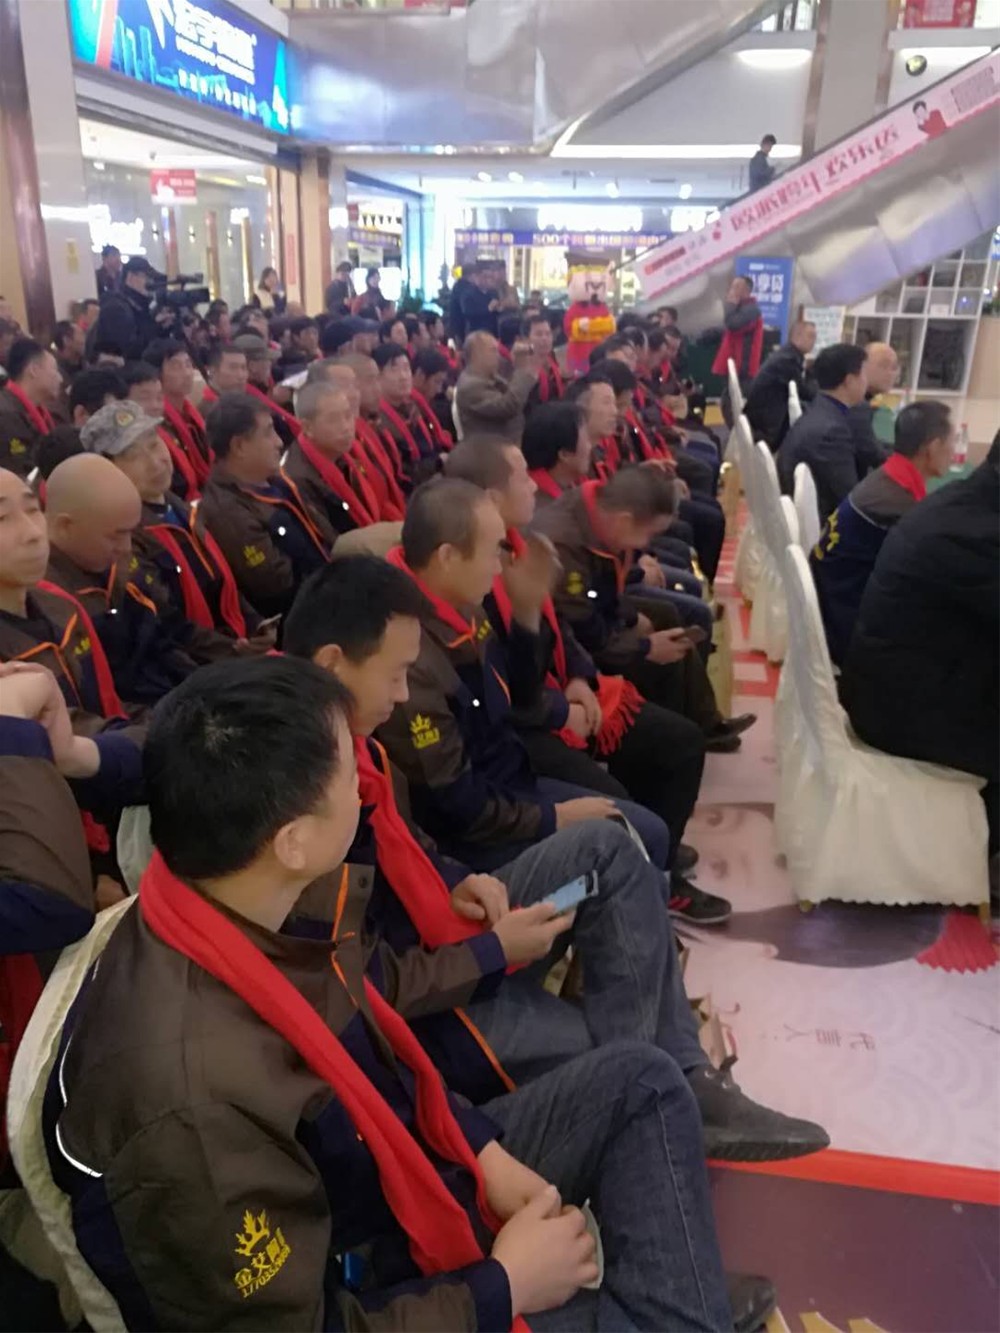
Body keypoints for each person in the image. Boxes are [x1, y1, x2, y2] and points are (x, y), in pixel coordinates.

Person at [47, 654, 772, 1331]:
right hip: (367, 1266)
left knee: (643, 1082)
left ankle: (672, 1297)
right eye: (346, 776)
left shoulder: (252, 903)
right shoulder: (189, 1110)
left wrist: (482, 1150)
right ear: (293, 840)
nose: (363, 787)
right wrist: (503, 1286)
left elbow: (373, 1062)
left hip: (384, 1177)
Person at [284, 556, 827, 1162]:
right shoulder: (302, 798)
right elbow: (354, 986)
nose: (403, 692)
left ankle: (672, 1076)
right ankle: (659, 1086)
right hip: (424, 1011)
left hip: (447, 931)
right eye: (394, 675)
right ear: (332, 664)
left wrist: (461, 882)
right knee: (605, 1048)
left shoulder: (353, 746)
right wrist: (494, 952)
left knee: (608, 849)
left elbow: (413, 845)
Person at [446, 439, 733, 923]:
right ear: (490, 499)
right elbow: (508, 689)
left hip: (548, 695)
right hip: (519, 730)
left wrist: (579, 679)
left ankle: (656, 861)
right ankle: (645, 876)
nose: (535, 487)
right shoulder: (481, 577)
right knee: (624, 801)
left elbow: (561, 630)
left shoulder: (518, 545)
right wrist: (564, 710)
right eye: (522, 477)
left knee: (676, 741)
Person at [377, 477, 677, 875]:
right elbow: (456, 805)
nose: (499, 566)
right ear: (447, 556)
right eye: (492, 553)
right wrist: (553, 818)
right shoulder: (408, 654)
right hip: (473, 836)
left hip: (509, 783)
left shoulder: (461, 602)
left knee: (643, 832)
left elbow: (518, 692)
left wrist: (525, 614)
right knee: (633, 841)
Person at [842, 437, 999, 855]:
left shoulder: (966, 502)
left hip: (903, 681)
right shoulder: (976, 532)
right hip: (900, 711)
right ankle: (970, 855)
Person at [532, 467, 754, 752]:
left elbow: (604, 591)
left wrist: (632, 618)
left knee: (667, 616)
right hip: (569, 643)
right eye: (649, 533)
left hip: (591, 614)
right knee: (663, 657)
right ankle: (676, 739)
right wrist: (646, 648)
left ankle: (704, 723)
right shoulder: (566, 546)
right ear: (625, 521)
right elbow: (584, 631)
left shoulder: (597, 513)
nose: (647, 544)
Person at [80, 400, 267, 661]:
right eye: (133, 455)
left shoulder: (181, 509)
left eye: (153, 444)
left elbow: (223, 584)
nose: (155, 462)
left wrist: (258, 627)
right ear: (107, 470)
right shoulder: (125, 539)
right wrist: (236, 651)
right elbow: (169, 625)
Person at [42, 452, 200, 706]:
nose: (126, 548)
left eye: (130, 533)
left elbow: (164, 637)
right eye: (115, 536)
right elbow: (85, 712)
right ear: (65, 527)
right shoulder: (48, 607)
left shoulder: (113, 566)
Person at [811, 400, 954, 668]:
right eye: (951, 442)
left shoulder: (886, 478)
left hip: (832, 601)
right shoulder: (898, 506)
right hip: (844, 626)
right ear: (933, 447)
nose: (954, 451)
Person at [197, 393, 332, 619]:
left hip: (328, 581)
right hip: (311, 613)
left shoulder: (275, 480)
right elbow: (282, 590)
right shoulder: (228, 512)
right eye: (268, 433)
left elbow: (326, 536)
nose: (279, 442)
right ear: (239, 446)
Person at [777, 342, 870, 522]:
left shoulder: (820, 410)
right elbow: (850, 500)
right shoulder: (832, 432)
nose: (867, 381)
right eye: (864, 374)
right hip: (822, 524)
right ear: (849, 380)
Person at [286, 380, 387, 535]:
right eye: (333, 420)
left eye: (348, 415)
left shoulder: (343, 454)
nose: (346, 426)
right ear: (307, 428)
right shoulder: (298, 479)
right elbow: (329, 541)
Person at [143, 337, 212, 499]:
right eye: (176, 366)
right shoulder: (156, 423)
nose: (187, 373)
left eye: (188, 364)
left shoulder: (191, 414)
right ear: (157, 375)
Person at [744, 319, 818, 450]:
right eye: (810, 336)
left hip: (758, 421)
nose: (814, 341)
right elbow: (806, 393)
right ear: (797, 335)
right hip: (767, 430)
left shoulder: (785, 354)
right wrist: (813, 373)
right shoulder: (788, 361)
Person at [455, 331, 537, 443]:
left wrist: (520, 364)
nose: (498, 356)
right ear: (477, 355)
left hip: (512, 441)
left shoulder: (489, 375)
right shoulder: (470, 387)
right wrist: (521, 370)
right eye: (493, 350)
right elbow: (508, 406)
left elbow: (514, 389)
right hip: (494, 448)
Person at [0, 339, 62, 476]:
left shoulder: (37, 410)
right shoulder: (6, 415)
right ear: (34, 370)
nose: (60, 379)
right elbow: (21, 474)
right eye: (55, 370)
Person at [90, 256, 162, 362]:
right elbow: (129, 350)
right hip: (116, 370)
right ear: (130, 277)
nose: (150, 282)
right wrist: (154, 327)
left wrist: (161, 327)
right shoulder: (116, 308)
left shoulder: (136, 305)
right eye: (146, 277)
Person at [522, 400, 592, 507]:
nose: (590, 447)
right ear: (564, 454)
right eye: (586, 439)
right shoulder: (539, 508)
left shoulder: (567, 490)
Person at [847, 341, 900, 470]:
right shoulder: (857, 405)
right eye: (884, 365)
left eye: (894, 367)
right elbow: (872, 453)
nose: (891, 373)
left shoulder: (862, 402)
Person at [712, 275, 763, 388]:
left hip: (742, 369)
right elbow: (729, 330)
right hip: (732, 367)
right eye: (732, 286)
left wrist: (730, 304)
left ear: (746, 291)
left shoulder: (752, 310)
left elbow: (733, 325)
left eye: (736, 287)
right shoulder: (738, 309)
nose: (732, 290)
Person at [523, 310, 563, 408]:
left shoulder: (554, 361)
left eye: (548, 334)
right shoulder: (523, 367)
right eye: (539, 334)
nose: (544, 339)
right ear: (526, 339)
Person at [199, 341, 250, 406]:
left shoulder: (249, 401)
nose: (241, 375)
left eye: (244, 368)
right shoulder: (206, 406)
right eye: (233, 368)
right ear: (213, 371)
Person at [459, 261, 500, 337]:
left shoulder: (493, 293)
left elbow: (497, 313)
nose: (488, 280)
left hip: (492, 332)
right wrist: (488, 309)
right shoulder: (468, 293)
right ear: (477, 277)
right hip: (476, 333)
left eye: (490, 277)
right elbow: (469, 313)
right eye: (485, 277)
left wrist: (499, 308)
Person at [52, 319, 86, 394]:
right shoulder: (55, 374)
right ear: (66, 340)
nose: (84, 340)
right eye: (81, 334)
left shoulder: (87, 364)